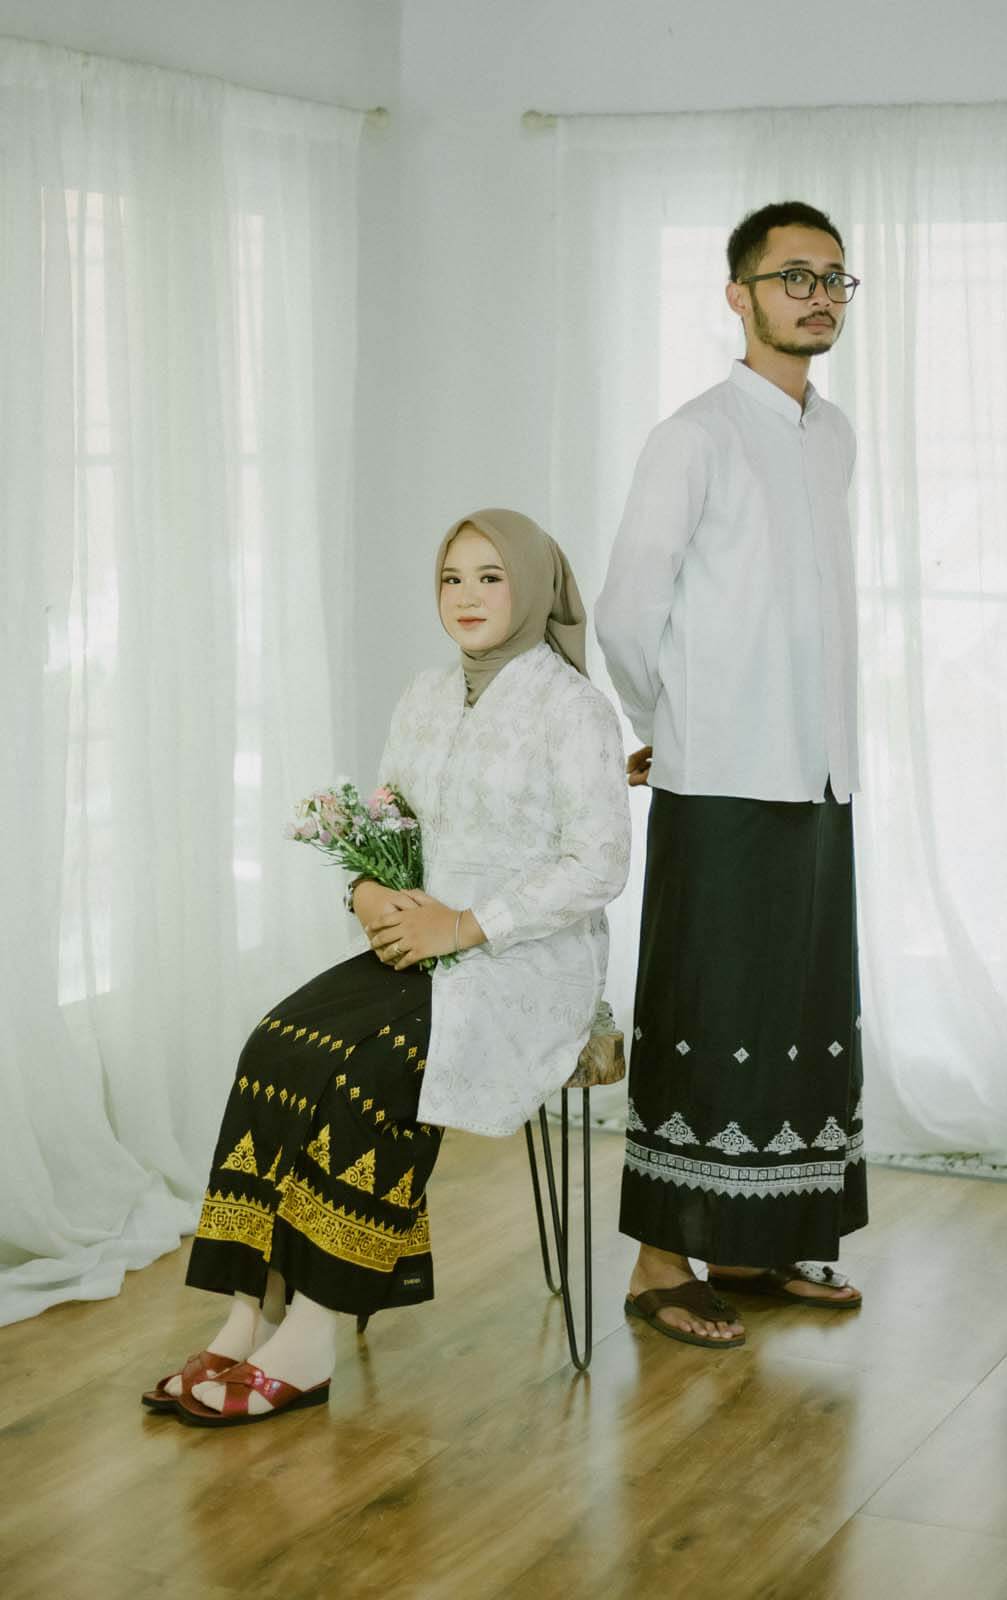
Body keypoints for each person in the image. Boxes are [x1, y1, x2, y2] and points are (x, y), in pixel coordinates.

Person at [143, 509, 630, 1425]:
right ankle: (250, 1311)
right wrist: (367, 894)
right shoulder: (424, 694)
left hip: (525, 965)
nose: (467, 597)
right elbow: (388, 825)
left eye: (490, 577)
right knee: (276, 1043)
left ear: (534, 588)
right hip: (415, 941)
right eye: (451, 578)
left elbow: (599, 864)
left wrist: (467, 925)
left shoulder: (574, 709)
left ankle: (312, 1332)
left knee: (371, 1070)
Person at [595, 200, 867, 1350]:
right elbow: (624, 611)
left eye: (833, 278)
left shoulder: (831, 432)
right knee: (706, 1011)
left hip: (817, 774)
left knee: (793, 1012)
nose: (816, 295)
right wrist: (670, 724)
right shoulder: (693, 436)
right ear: (737, 294)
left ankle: (752, 1244)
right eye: (791, 275)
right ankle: (660, 1264)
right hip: (717, 779)